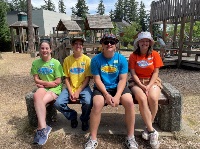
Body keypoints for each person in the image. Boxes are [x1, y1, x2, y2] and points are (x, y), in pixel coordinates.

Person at [85, 34, 138, 149]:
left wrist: (118, 95)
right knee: (97, 104)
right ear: (102, 45)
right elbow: (97, 80)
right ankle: (93, 138)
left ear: (115, 45)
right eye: (106, 42)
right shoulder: (95, 60)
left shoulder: (121, 59)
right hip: (102, 87)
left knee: (129, 102)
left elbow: (123, 79)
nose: (109, 44)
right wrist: (106, 95)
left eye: (112, 42)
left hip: (118, 86)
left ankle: (131, 137)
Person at [128, 32, 164, 149]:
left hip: (152, 80)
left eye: (147, 41)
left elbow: (156, 72)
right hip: (137, 81)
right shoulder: (133, 56)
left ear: (150, 43)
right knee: (142, 98)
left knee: (153, 98)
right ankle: (152, 131)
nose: (145, 43)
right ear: (138, 43)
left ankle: (148, 127)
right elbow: (132, 73)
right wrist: (141, 85)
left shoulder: (155, 54)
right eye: (142, 41)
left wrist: (149, 86)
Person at [54, 37, 92, 131]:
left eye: (80, 44)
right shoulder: (67, 60)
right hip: (70, 87)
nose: (78, 46)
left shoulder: (87, 60)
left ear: (82, 46)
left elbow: (88, 78)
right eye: (76, 44)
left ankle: (84, 119)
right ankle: (72, 116)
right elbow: (66, 78)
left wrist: (78, 91)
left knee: (88, 102)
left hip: (83, 87)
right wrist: (71, 92)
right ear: (72, 46)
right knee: (58, 103)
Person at [31, 40, 64, 145]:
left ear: (50, 50)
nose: (44, 50)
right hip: (44, 87)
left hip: (54, 89)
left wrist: (44, 83)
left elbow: (58, 81)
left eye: (46, 48)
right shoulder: (36, 63)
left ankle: (40, 129)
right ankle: (44, 128)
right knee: (36, 96)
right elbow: (36, 79)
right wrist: (47, 83)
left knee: (42, 101)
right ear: (39, 50)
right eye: (42, 48)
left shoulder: (56, 63)